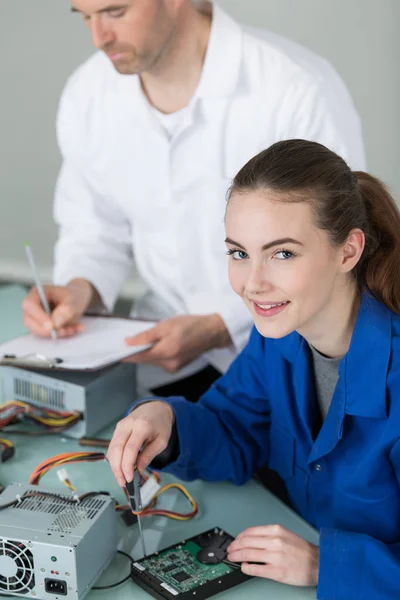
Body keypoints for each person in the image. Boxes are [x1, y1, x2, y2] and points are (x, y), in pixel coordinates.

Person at [22, 0, 366, 400]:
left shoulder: (295, 87)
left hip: (286, 361)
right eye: (84, 16)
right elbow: (94, 226)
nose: (99, 38)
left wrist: (220, 325)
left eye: (115, 12)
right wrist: (80, 288)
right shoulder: (89, 94)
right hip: (159, 355)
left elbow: (334, 247)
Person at [106, 139, 400, 598]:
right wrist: (166, 421)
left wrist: (328, 565)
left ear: (348, 251)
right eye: (239, 253)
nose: (252, 283)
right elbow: (234, 428)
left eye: (282, 253)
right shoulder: (276, 341)